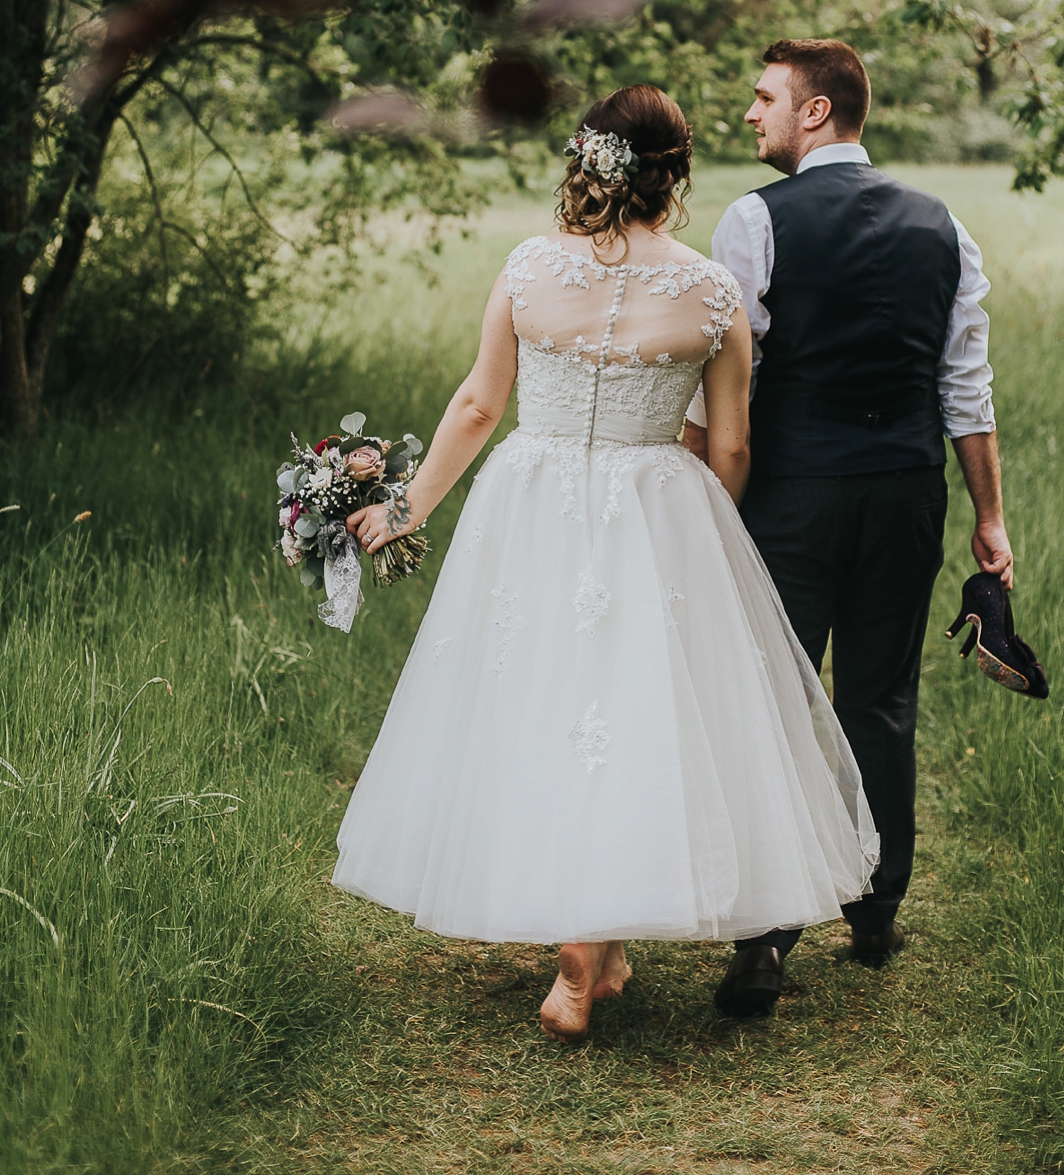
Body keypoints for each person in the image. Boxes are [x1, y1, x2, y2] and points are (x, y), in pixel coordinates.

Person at [334, 84, 878, 1043]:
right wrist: (711, 528)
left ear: (588, 162)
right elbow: (734, 447)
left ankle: (585, 957)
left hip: (532, 500)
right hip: (655, 506)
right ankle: (595, 948)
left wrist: (405, 510)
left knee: (541, 698)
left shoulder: (530, 266)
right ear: (674, 174)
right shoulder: (711, 292)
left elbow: (476, 405)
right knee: (631, 710)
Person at [683, 39, 1010, 1019]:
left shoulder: (753, 220)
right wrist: (990, 516)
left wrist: (701, 492)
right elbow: (965, 387)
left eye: (765, 98)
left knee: (778, 701)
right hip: (908, 491)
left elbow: (730, 374)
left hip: (794, 494)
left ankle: (766, 939)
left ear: (815, 112)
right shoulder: (945, 225)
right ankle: (875, 910)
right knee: (880, 698)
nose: (751, 115)